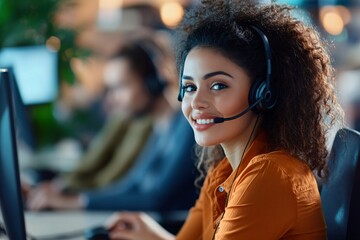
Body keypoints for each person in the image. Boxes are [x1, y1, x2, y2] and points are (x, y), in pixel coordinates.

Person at [105, 1, 344, 239]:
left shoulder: (270, 175)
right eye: (189, 87)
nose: (196, 102)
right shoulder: (225, 170)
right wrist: (150, 234)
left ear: (263, 94)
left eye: (218, 86)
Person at [26, 34, 197, 212]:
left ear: (151, 82)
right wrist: (67, 198)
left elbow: (156, 199)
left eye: (121, 87)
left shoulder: (186, 127)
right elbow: (129, 185)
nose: (113, 99)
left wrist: (73, 203)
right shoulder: (161, 127)